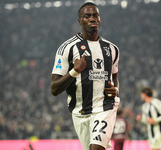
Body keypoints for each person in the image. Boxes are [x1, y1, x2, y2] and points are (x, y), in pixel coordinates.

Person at [51, 2, 120, 150]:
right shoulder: (67, 48)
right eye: (87, 16)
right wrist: (74, 71)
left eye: (95, 15)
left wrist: (116, 90)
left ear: (100, 19)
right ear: (80, 21)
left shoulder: (112, 49)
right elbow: (54, 89)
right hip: (80, 113)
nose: (92, 18)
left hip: (105, 107)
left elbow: (115, 79)